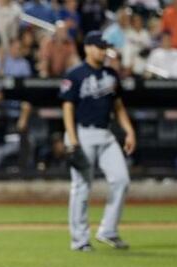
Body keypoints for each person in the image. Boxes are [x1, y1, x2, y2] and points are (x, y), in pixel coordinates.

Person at [59, 31, 136, 251]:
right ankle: (80, 240)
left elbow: (118, 105)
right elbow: (67, 107)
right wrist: (72, 140)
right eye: (99, 47)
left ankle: (108, 230)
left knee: (121, 180)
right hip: (82, 134)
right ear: (88, 48)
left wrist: (129, 131)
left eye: (105, 47)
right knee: (82, 187)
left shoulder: (111, 74)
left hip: (105, 133)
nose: (103, 51)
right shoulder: (75, 74)